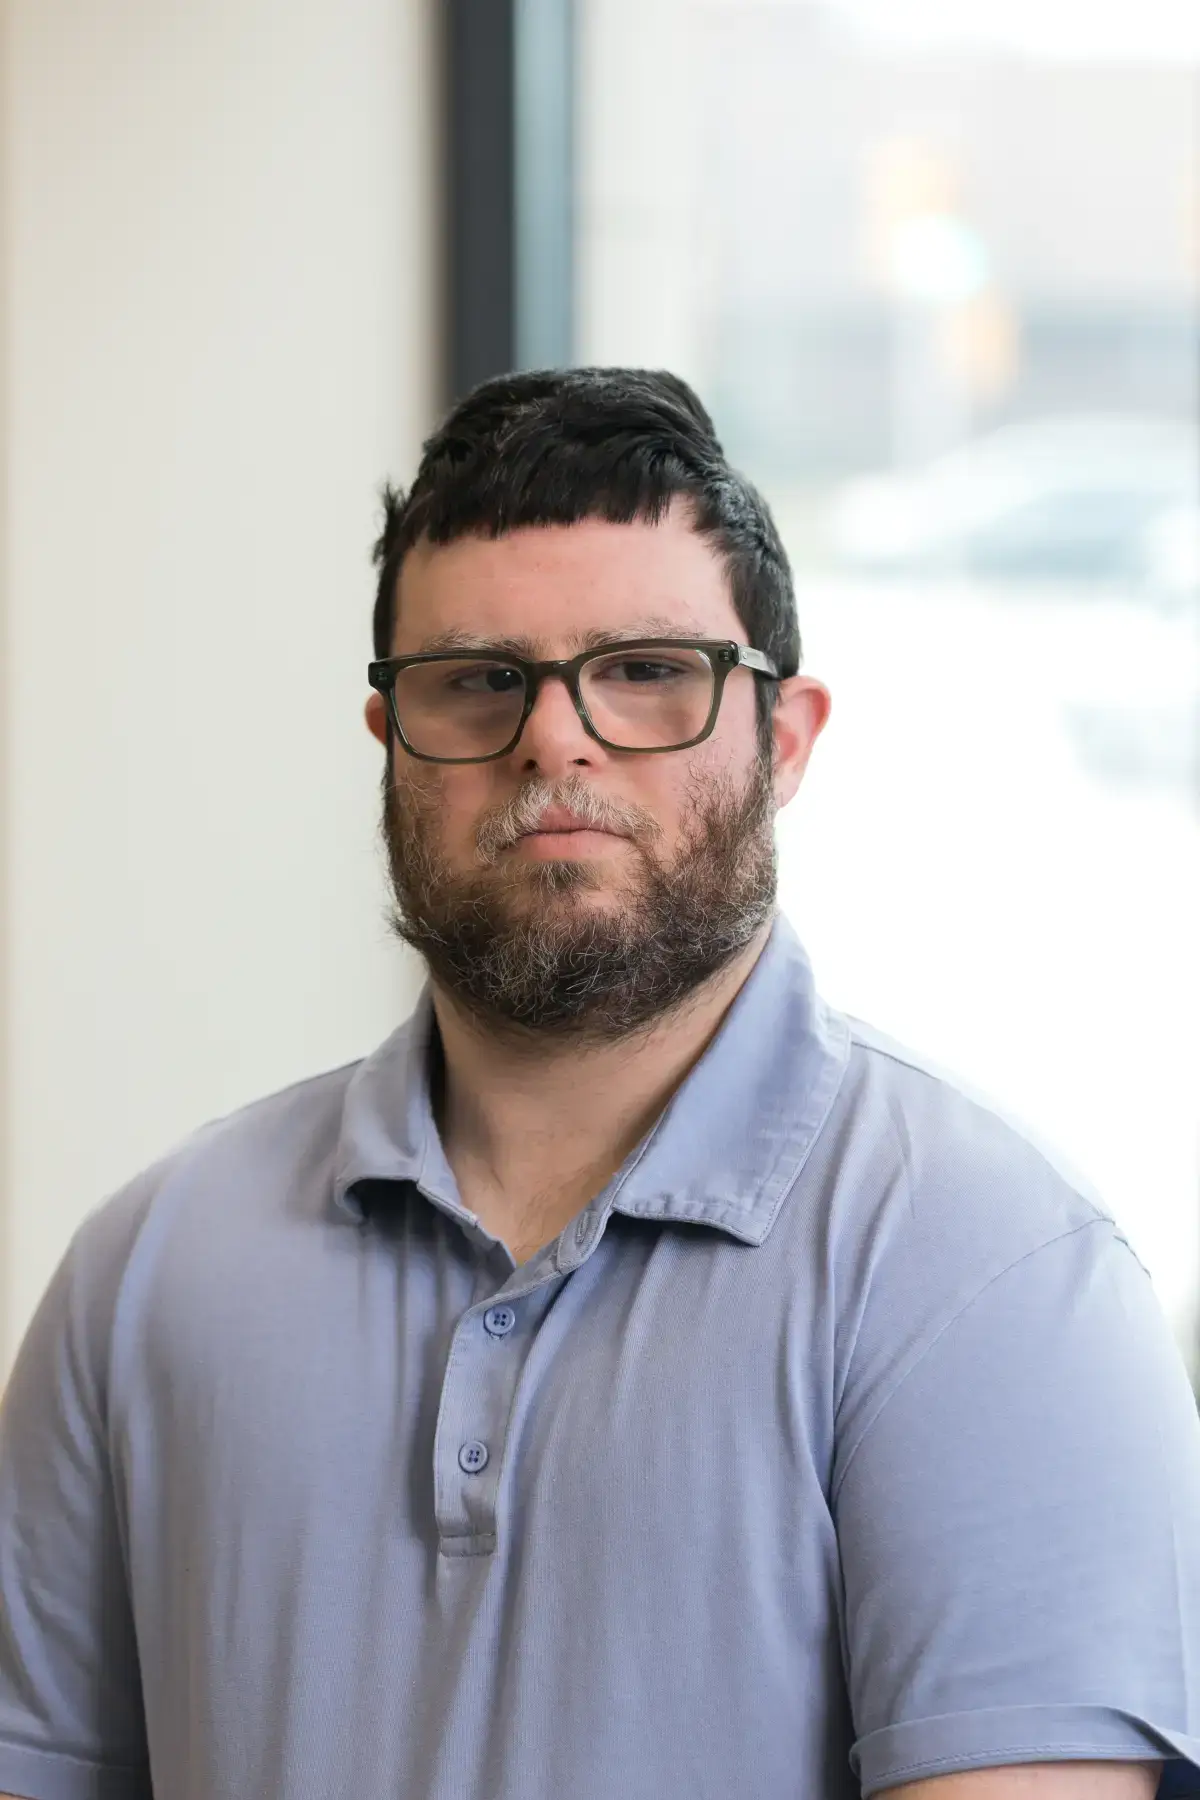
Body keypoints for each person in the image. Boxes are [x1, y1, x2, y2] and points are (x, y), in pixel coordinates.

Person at [0, 368, 1195, 1800]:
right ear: (392, 749)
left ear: (787, 737)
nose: (553, 738)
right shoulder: (146, 1271)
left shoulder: (991, 1273)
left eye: (644, 672)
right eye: (479, 681)